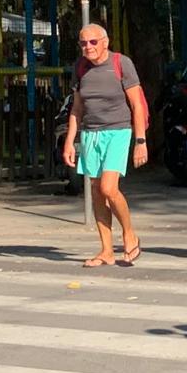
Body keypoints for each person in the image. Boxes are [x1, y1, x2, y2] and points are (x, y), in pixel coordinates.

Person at [62, 24, 148, 267]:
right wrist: (70, 141)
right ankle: (106, 250)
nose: (87, 47)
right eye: (82, 43)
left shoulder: (122, 63)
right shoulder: (80, 68)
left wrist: (140, 141)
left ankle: (129, 233)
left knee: (109, 188)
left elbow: (137, 105)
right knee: (97, 191)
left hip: (118, 131)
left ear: (105, 42)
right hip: (90, 134)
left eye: (93, 42)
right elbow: (77, 109)